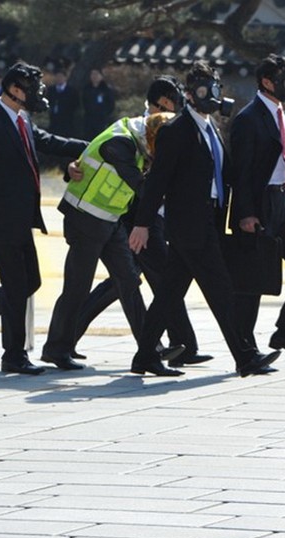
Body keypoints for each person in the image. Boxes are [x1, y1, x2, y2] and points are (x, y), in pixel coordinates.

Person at [128, 61, 280, 377]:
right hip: (189, 224)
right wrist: (142, 224)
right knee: (221, 289)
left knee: (170, 292)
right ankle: (245, 356)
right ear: (188, 94)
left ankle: (144, 356)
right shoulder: (176, 130)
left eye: (213, 87)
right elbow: (157, 181)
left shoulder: (212, 127)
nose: (210, 95)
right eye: (202, 89)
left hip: (210, 218)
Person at [71, 77, 211, 368]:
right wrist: (72, 166)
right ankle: (177, 345)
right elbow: (103, 153)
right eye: (174, 103)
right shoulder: (140, 130)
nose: (178, 110)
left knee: (131, 284)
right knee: (162, 281)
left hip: (149, 222)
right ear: (159, 103)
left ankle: (67, 337)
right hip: (136, 222)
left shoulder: (166, 129)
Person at [0, 61, 87, 375]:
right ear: (15, 90)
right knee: (17, 285)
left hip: (20, 221)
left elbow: (49, 142)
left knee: (31, 281)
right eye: (31, 88)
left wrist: (94, 147)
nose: (37, 94)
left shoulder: (22, 119)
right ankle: (13, 355)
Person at [40, 92, 171, 371]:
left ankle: (151, 351)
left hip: (108, 219)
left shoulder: (135, 139)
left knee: (129, 283)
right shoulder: (121, 144)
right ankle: (56, 348)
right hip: (85, 218)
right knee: (77, 288)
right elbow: (142, 187)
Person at [229, 54, 285, 361]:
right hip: (258, 205)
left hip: (282, 204)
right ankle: (246, 350)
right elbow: (239, 172)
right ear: (267, 82)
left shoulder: (281, 114)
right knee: (252, 280)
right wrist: (244, 213)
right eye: (284, 79)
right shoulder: (248, 118)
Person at [81, 67, 116, 140]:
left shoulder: (106, 89)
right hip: (89, 120)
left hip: (101, 121)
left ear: (101, 76)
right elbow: (84, 102)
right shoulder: (87, 89)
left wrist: (104, 114)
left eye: (96, 74)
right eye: (92, 74)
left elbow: (111, 105)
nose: (94, 76)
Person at [47, 68, 80, 138]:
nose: (59, 78)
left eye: (61, 76)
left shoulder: (72, 91)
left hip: (67, 121)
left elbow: (76, 104)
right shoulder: (51, 90)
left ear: (65, 78)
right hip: (53, 120)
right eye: (57, 76)